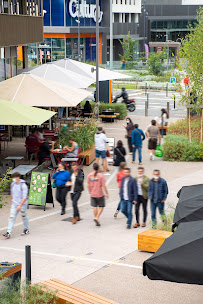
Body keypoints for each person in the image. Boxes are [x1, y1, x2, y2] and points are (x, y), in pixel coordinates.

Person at [3, 172, 29, 239]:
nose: (13, 179)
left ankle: (26, 229)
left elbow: (24, 197)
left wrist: (20, 205)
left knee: (24, 216)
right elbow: (12, 194)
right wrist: (12, 202)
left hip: (22, 204)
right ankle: (8, 232)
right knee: (11, 217)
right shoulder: (13, 184)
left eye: (14, 177)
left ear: (17, 177)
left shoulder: (23, 185)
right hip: (14, 204)